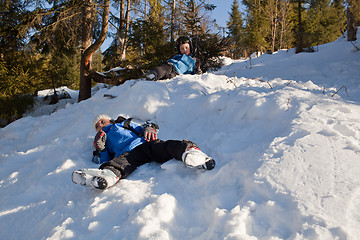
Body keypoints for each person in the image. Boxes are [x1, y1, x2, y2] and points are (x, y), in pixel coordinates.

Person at [72, 114, 216, 190]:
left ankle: (192, 154)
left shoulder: (122, 124)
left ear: (110, 120)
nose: (100, 125)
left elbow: (144, 127)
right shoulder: (100, 139)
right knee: (118, 163)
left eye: (102, 121)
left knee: (165, 147)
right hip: (128, 154)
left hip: (144, 143)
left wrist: (149, 129)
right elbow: (104, 158)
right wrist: (101, 148)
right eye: (97, 126)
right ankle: (106, 177)